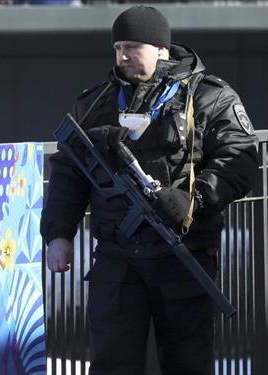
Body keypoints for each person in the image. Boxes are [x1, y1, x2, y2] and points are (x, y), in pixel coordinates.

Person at [40, 6, 258, 375]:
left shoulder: (208, 97)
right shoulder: (96, 102)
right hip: (117, 258)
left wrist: (194, 198)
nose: (123, 56)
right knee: (112, 362)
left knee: (187, 362)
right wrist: (59, 234)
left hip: (184, 254)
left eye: (133, 46)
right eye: (118, 47)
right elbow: (69, 173)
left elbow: (239, 157)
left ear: (162, 48)